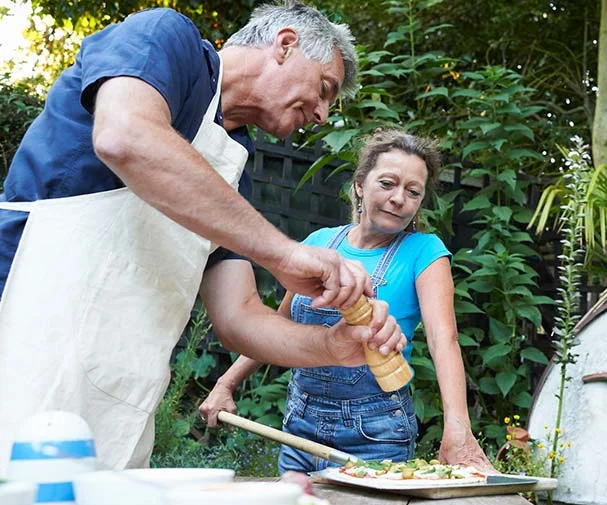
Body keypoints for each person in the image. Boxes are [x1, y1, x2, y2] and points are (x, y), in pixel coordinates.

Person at [0, 1, 407, 477]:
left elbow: (238, 318)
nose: (320, 114)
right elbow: (125, 135)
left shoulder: (233, 170)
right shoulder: (165, 38)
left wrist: (335, 346)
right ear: (286, 44)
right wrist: (282, 252)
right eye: (324, 89)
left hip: (118, 393)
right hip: (25, 337)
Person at [199, 129, 495, 473]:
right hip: (301, 425)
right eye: (387, 183)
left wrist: (457, 429)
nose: (399, 198)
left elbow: (443, 340)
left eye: (413, 191)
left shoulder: (425, 252)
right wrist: (225, 383)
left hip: (375, 433)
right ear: (359, 185)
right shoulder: (321, 242)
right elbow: (277, 327)